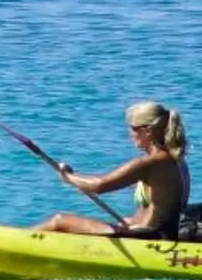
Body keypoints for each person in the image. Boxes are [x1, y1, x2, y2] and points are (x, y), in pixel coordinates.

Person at [34, 102, 191, 238]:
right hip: (155, 231)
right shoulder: (176, 160)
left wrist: (68, 177)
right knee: (124, 220)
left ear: (147, 131)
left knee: (59, 220)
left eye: (132, 129)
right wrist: (131, 222)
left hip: (146, 237)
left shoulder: (149, 163)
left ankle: (15, 244)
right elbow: (157, 207)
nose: (130, 134)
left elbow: (99, 185)